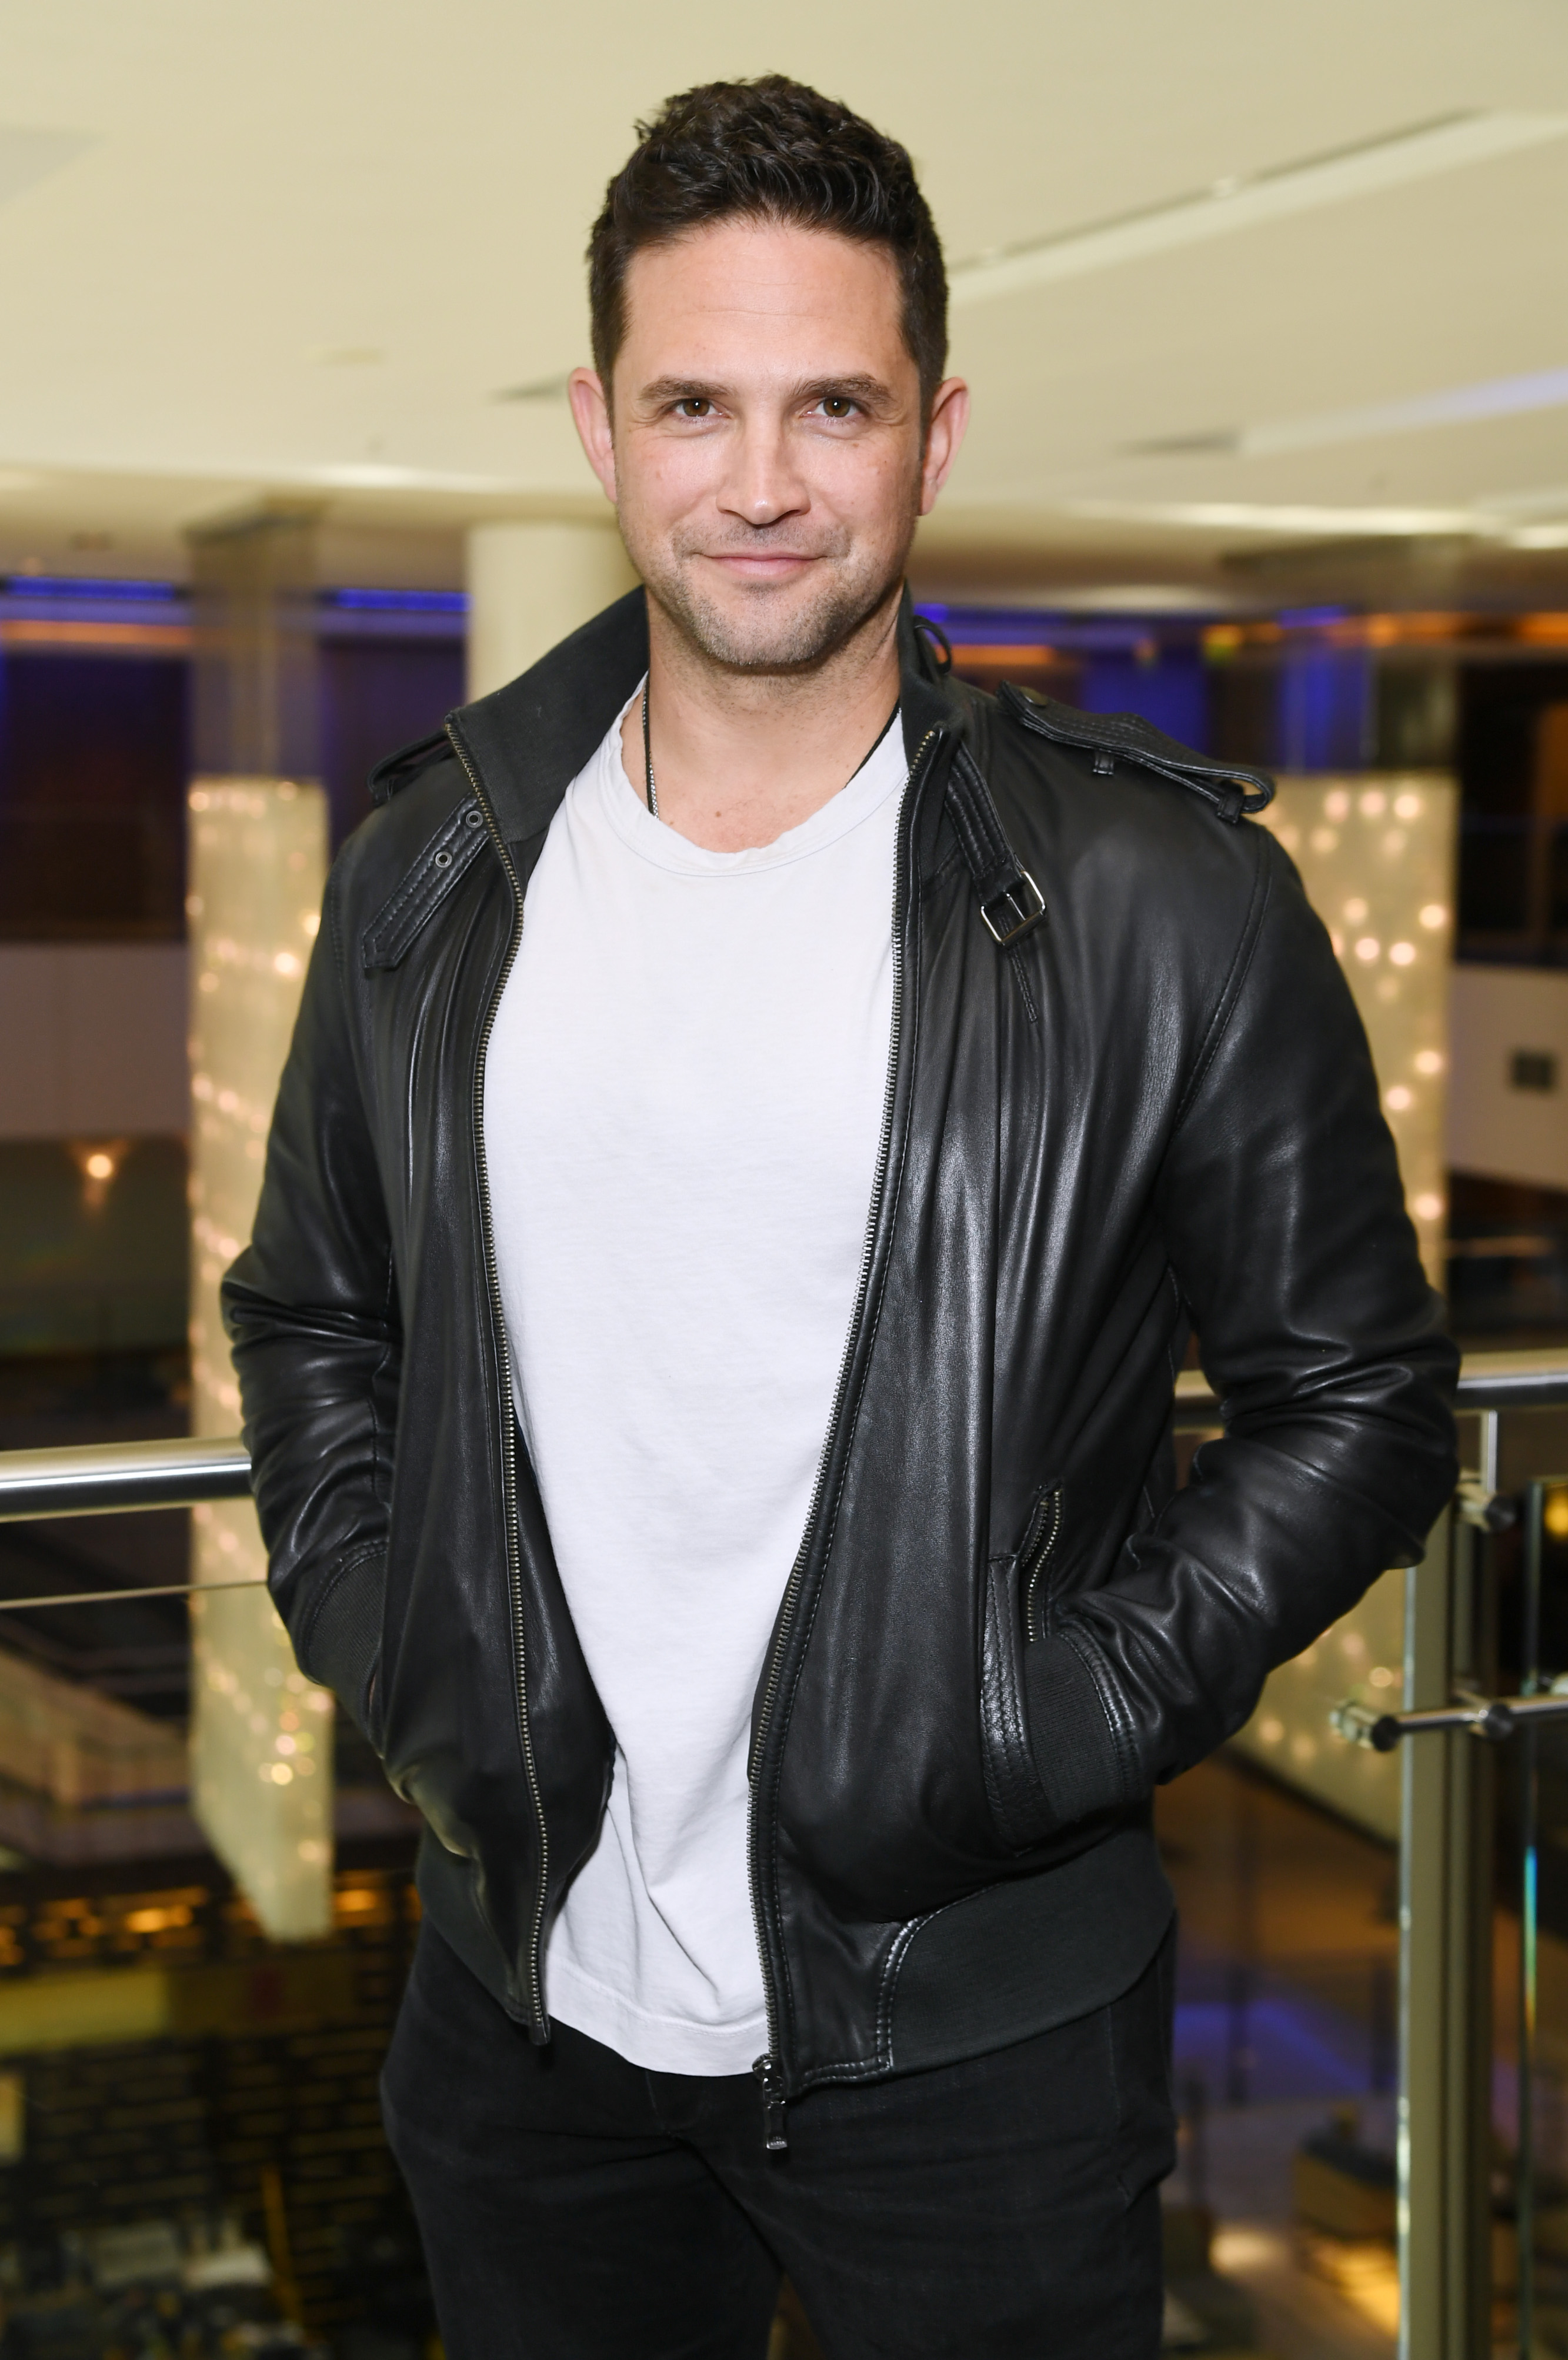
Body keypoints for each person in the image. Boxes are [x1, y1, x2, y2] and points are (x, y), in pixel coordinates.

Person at [223, 74, 1457, 2360]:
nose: (762, 481)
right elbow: (311, 1312)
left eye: (834, 406)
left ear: (934, 434)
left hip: (977, 2027)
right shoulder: (429, 870)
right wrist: (393, 1648)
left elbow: (1359, 1398)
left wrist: (1052, 1714)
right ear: (599, 428)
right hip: (523, 2011)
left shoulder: (1163, 897)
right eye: (694, 403)